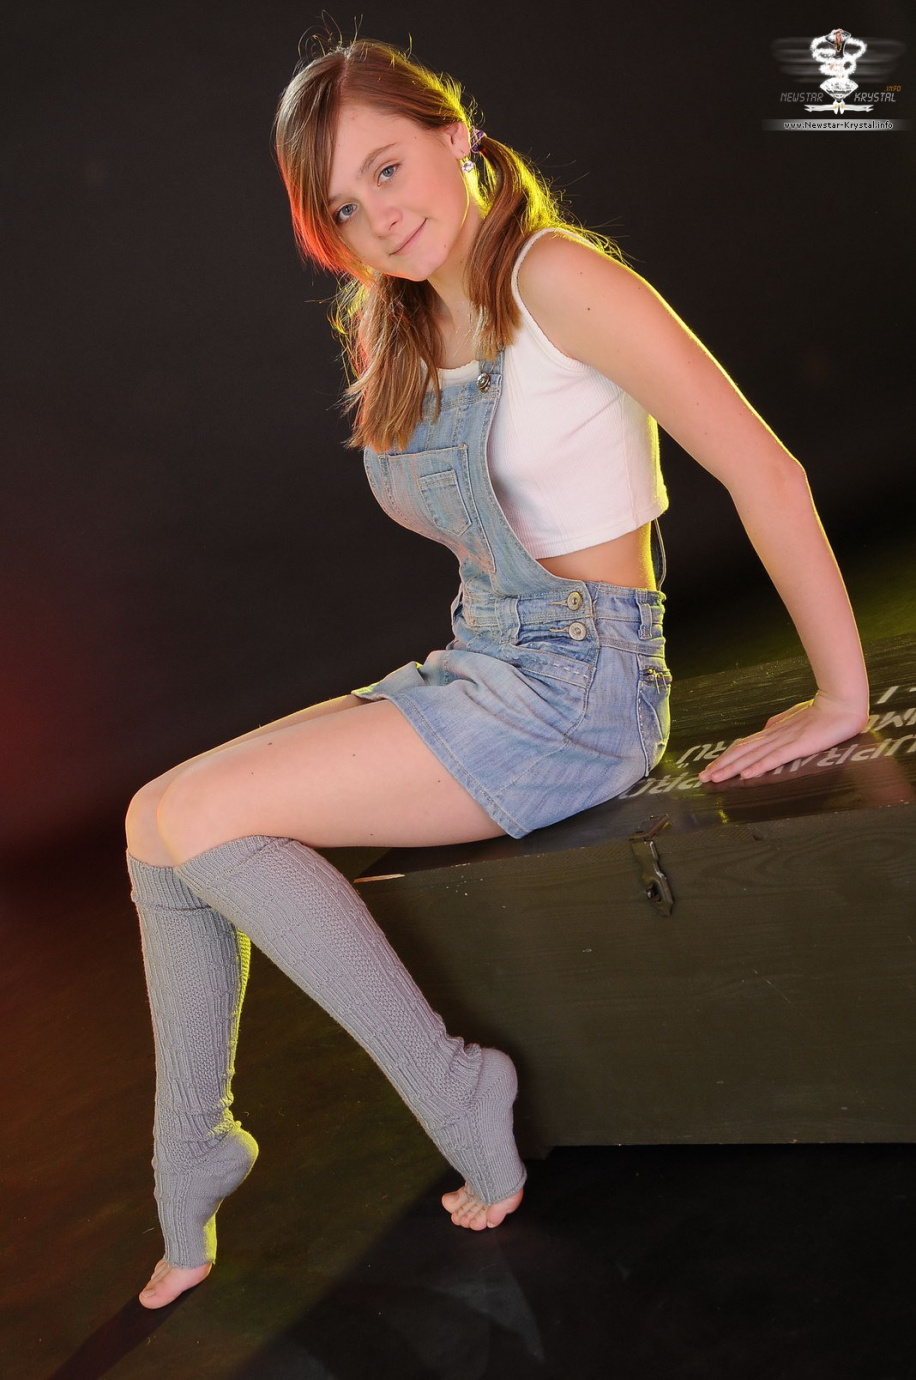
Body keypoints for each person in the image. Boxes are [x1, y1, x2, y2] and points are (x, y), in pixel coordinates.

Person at [125, 36, 870, 1309]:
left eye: (388, 166)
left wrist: (841, 695)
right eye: (343, 206)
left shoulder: (557, 277)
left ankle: (450, 1084)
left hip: (582, 693)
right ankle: (193, 1149)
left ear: (456, 133)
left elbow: (766, 470)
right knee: (154, 824)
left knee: (200, 820)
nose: (378, 217)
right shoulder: (402, 315)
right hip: (482, 660)